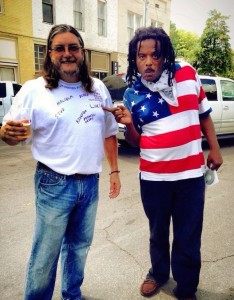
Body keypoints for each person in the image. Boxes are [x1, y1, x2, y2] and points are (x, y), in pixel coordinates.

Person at [0, 24, 121, 300]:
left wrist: (114, 170)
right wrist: (6, 133)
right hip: (54, 183)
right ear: (50, 54)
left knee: (79, 247)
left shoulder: (97, 88)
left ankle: (72, 294)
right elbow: (11, 132)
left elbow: (110, 132)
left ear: (82, 52)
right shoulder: (34, 89)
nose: (67, 54)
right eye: (60, 48)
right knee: (46, 253)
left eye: (73, 47)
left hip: (90, 184)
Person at [103, 26, 223, 300]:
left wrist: (214, 148)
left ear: (165, 56)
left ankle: (187, 286)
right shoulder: (133, 93)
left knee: (188, 235)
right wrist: (130, 124)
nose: (148, 62)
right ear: (134, 59)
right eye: (141, 56)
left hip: (191, 177)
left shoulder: (187, 74)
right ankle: (158, 273)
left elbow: (204, 116)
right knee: (157, 232)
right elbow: (135, 142)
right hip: (154, 179)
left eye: (155, 56)